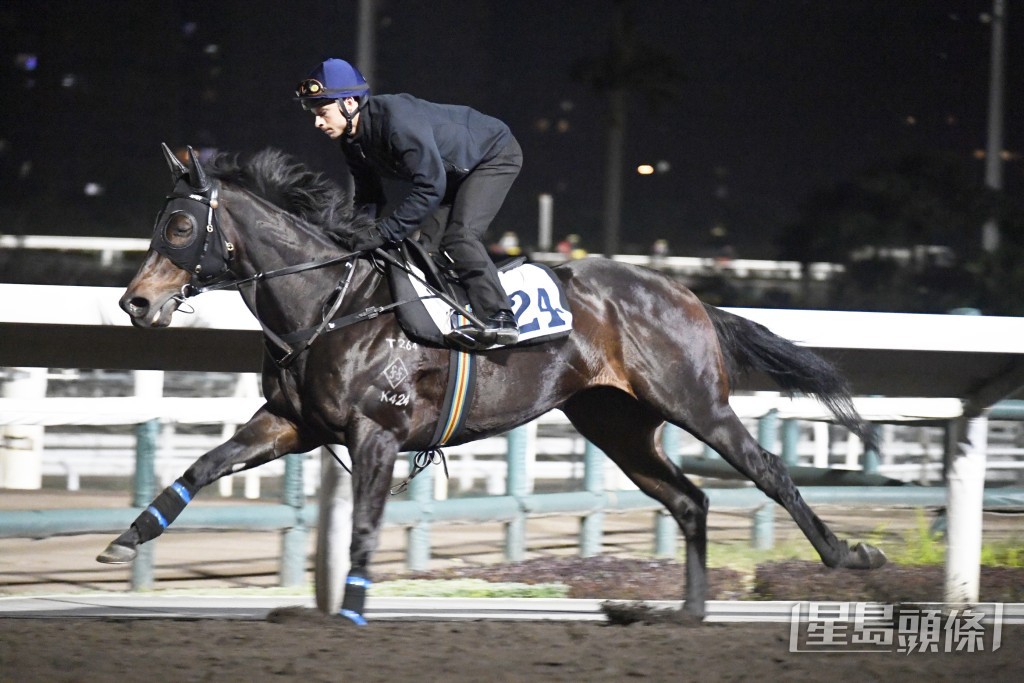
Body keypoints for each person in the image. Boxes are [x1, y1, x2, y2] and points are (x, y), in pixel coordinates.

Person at [295, 58, 522, 348]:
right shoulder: (352, 142)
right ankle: (458, 314)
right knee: (424, 251)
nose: (317, 122)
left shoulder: (396, 122)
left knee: (459, 238)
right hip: (450, 172)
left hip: (493, 155)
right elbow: (369, 197)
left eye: (323, 112)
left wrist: (382, 234)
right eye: (314, 114)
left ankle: (500, 317)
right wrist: (353, 237)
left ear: (349, 103)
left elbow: (429, 188)